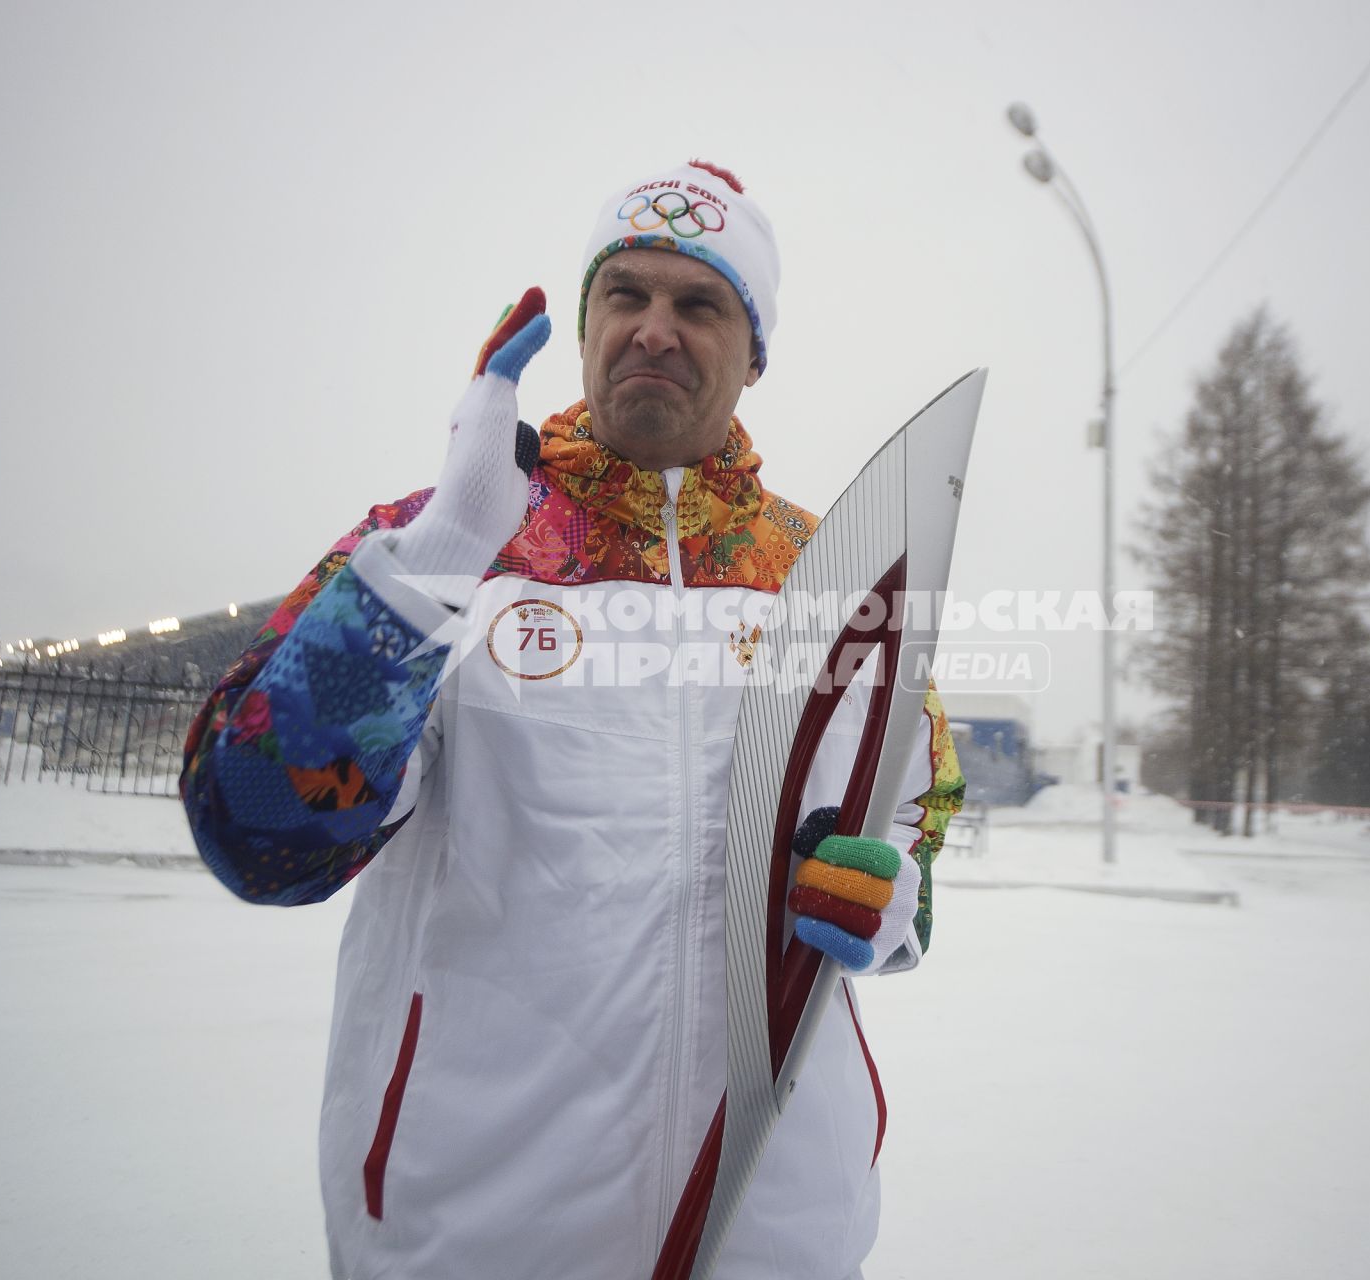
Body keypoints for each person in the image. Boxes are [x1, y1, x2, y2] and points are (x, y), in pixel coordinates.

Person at [180, 159, 964, 1280]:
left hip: (773, 1221)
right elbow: (259, 832)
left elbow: (916, 841)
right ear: (587, 319)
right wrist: (445, 554)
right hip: (472, 1224)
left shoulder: (839, 579)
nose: (653, 329)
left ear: (756, 353)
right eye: (624, 294)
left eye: (698, 303)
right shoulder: (437, 539)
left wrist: (889, 901)